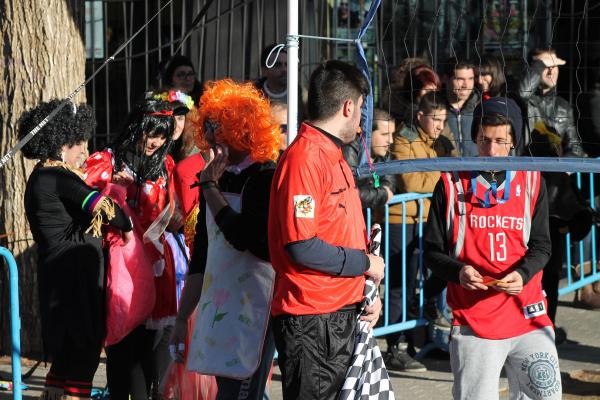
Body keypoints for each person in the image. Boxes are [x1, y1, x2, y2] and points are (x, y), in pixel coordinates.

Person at [424, 97, 561, 399]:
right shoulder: (450, 184)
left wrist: (523, 274)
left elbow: (542, 247)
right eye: (485, 140)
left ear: (514, 141)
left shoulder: (530, 181)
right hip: (475, 321)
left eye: (501, 141)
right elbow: (431, 252)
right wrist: (458, 272)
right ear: (474, 138)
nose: (492, 150)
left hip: (528, 316)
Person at [268, 60, 385, 399]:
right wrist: (365, 264)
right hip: (312, 319)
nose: (363, 118)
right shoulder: (304, 159)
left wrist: (364, 293)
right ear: (348, 107)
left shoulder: (332, 154)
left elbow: (337, 235)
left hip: (338, 313)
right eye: (362, 108)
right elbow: (302, 246)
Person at [170, 79, 281, 400]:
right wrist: (181, 318)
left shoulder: (265, 177)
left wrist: (210, 189)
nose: (210, 142)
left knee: (240, 392)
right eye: (207, 132)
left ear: (243, 131)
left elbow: (245, 237)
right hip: (220, 304)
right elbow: (202, 253)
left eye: (218, 133)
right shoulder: (215, 179)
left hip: (255, 308)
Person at [20, 100, 133, 400]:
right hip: (76, 285)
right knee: (81, 366)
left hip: (60, 281)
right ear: (60, 145)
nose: (85, 152)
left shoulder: (39, 178)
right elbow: (105, 209)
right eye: (79, 144)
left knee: (62, 370)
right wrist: (128, 223)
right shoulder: (58, 177)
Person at [84, 98, 178, 399]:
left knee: (152, 346)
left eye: (162, 135)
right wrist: (115, 188)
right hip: (120, 262)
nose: (155, 141)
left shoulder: (166, 164)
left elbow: (171, 212)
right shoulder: (107, 161)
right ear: (136, 128)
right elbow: (87, 202)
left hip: (156, 261)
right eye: (150, 133)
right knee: (122, 344)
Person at [383, 91, 449, 372]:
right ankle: (392, 345)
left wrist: (436, 172)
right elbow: (411, 182)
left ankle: (416, 337)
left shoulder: (441, 142)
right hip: (402, 218)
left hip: (427, 217)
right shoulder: (404, 140)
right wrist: (441, 172)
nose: (440, 126)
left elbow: (439, 176)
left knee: (432, 276)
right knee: (400, 284)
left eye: (444, 120)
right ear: (421, 116)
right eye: (436, 119)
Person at [519, 48, 584, 157]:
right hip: (525, 167)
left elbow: (574, 146)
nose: (550, 71)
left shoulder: (564, 106)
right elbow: (524, 92)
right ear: (534, 69)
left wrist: (564, 167)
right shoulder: (522, 99)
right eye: (545, 66)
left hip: (553, 169)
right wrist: (540, 64)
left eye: (553, 66)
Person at [342, 108, 396, 209]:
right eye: (385, 134)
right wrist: (382, 195)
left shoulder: (384, 152)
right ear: (368, 134)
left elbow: (390, 185)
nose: (391, 140)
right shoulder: (350, 150)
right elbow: (351, 194)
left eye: (392, 134)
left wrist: (373, 193)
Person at [441, 58, 480, 156]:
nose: (466, 85)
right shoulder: (434, 109)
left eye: (470, 79)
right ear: (445, 79)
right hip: (445, 169)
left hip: (476, 169)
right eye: (460, 79)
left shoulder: (482, 108)